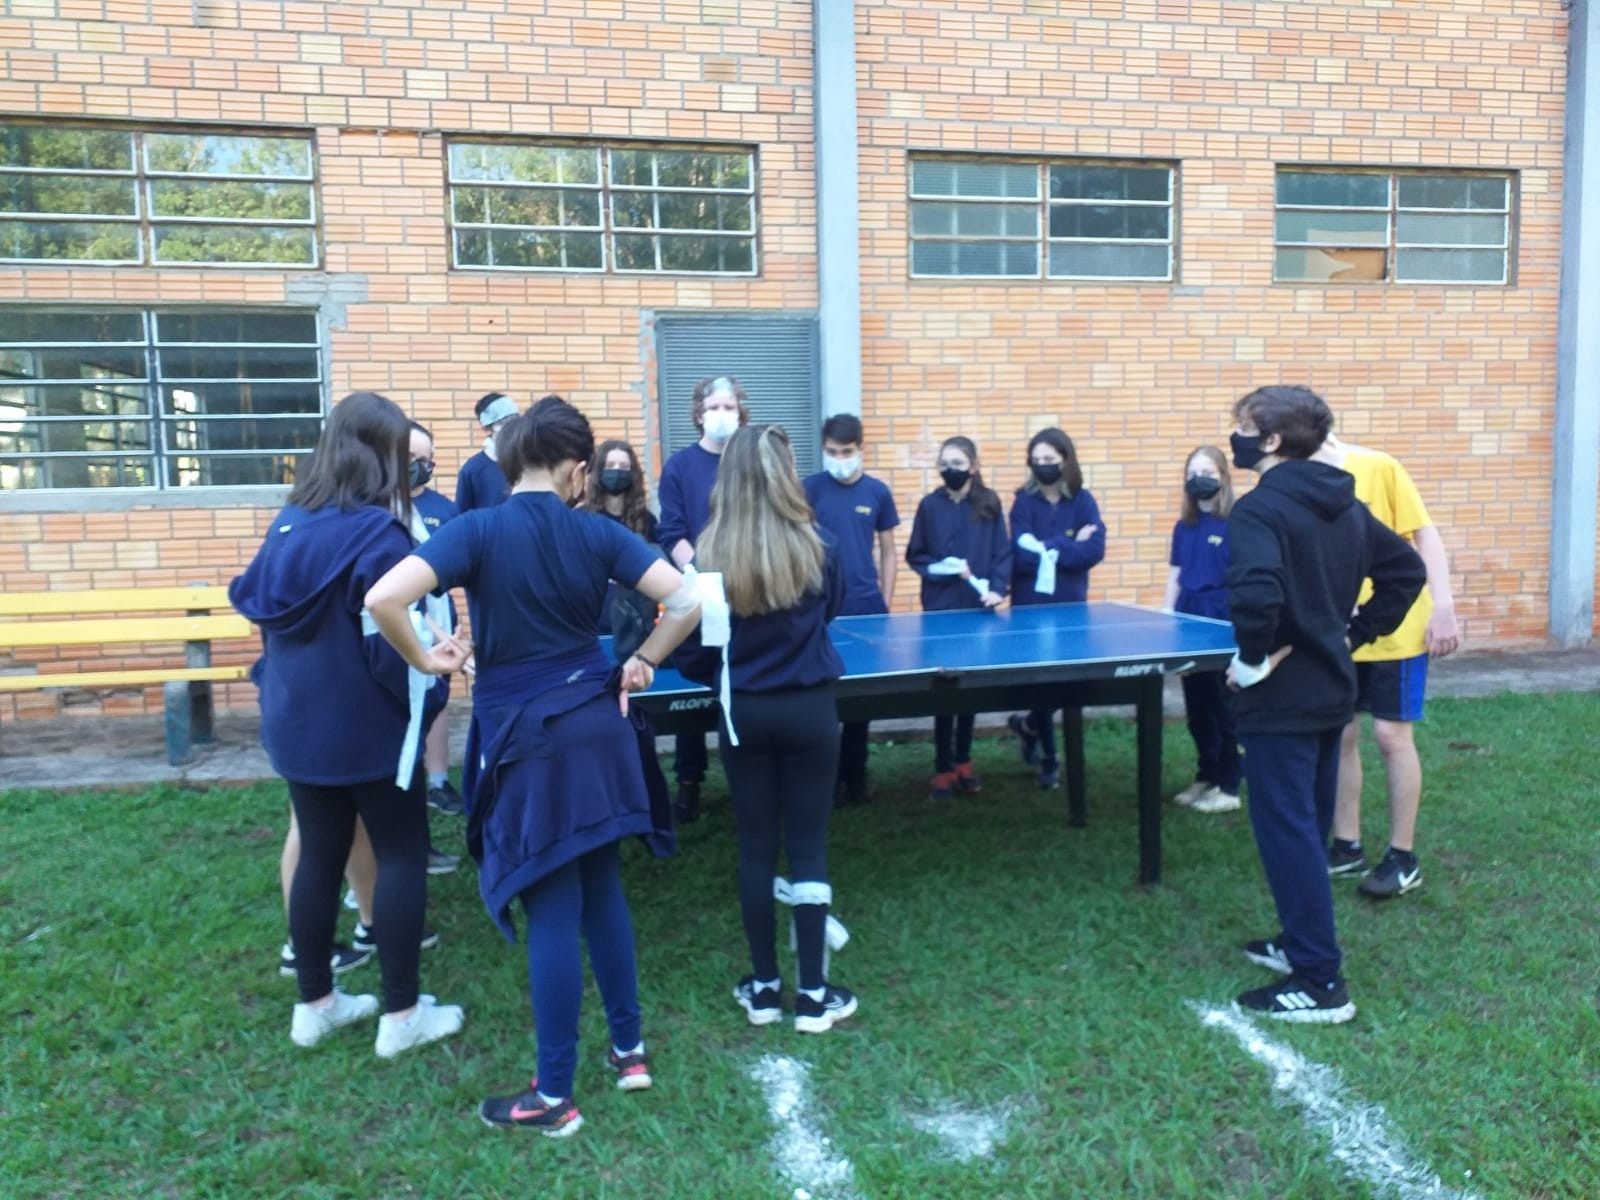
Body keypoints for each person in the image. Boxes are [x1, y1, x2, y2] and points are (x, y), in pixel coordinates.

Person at [364, 395, 701, 1137]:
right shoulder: (599, 532)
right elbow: (686, 602)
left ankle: (553, 1094)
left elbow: (384, 597)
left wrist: (426, 658)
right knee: (601, 886)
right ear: (577, 468)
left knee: (551, 903)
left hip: (528, 739)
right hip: (598, 730)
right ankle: (629, 1051)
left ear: (512, 458)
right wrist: (644, 659)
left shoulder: (475, 529)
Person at [230, 391, 467, 1056]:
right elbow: (386, 645)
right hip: (368, 729)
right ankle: (402, 1016)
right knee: (401, 856)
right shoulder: (376, 534)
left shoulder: (288, 523)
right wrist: (431, 673)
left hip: (297, 725)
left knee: (319, 855)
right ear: (381, 455)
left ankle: (316, 1004)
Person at [1224, 384, 1425, 1023]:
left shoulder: (1258, 510)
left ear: (1271, 440)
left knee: (1287, 833)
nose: (1235, 437)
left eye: (1243, 426)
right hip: (1331, 692)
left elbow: (1257, 594)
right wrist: (1351, 635)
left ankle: (1319, 981)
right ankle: (1300, 941)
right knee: (1306, 829)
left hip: (1282, 698)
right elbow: (1406, 572)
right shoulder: (1348, 505)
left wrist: (1252, 660)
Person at [680, 424, 856, 1033]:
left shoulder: (707, 556)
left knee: (755, 848)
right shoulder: (820, 545)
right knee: (808, 847)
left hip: (744, 714)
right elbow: (832, 610)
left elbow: (697, 649)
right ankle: (813, 995)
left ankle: (762, 989)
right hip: (810, 709)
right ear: (786, 475)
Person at [1316, 434, 1462, 898]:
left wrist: (1444, 605)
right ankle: (1347, 845)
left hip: (1396, 628)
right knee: (1341, 734)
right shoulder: (1296, 479)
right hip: (1342, 632)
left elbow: (1425, 533)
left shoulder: (1379, 466)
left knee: (1391, 736)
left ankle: (1403, 857)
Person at [655, 376, 750, 823]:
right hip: (700, 591)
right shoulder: (679, 466)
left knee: (743, 685)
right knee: (695, 688)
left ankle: (747, 777)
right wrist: (701, 572)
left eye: (729, 406)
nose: (722, 414)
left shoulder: (750, 461)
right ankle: (689, 781)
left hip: (749, 592)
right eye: (714, 407)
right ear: (699, 414)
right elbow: (671, 531)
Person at [905, 436, 1011, 801]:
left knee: (969, 691)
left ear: (973, 466)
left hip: (976, 610)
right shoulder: (929, 506)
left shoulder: (989, 503)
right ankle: (942, 768)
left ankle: (963, 761)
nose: (950, 470)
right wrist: (941, 569)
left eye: (958, 464)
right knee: (944, 691)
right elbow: (916, 555)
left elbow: (1001, 554)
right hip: (940, 609)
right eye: (945, 464)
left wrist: (997, 589)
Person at [801, 413, 899, 808]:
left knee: (862, 701)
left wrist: (884, 602)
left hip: (866, 607)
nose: (839, 459)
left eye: (846, 451)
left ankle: (856, 775)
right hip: (821, 610)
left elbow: (889, 552)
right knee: (826, 698)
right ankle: (828, 779)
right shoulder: (809, 489)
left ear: (860, 449)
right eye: (831, 452)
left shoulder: (877, 492)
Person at [1005, 428, 1105, 789]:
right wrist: (1067, 543)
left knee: (1069, 684)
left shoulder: (1083, 501)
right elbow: (1020, 558)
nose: (1043, 465)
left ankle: (1027, 725)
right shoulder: (1022, 502)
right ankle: (1050, 760)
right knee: (1043, 684)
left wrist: (1047, 548)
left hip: (1070, 606)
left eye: (1050, 459)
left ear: (1065, 460)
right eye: (1037, 459)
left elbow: (1094, 551)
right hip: (1030, 607)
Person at [1163, 446, 1241, 814]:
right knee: (1198, 709)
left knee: (1225, 706)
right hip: (1188, 620)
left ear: (1223, 477)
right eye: (1193, 473)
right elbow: (1176, 574)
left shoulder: (1236, 523)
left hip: (1221, 620)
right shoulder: (1184, 526)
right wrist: (1167, 615)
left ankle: (1230, 785)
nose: (1199, 479)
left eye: (1207, 472)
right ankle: (1206, 775)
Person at [409, 420, 467, 833]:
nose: (417, 465)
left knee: (437, 701)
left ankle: (438, 781)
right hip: (394, 624)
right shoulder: (374, 507)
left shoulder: (445, 511)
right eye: (408, 457)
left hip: (439, 623)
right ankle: (404, 785)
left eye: (424, 459)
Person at [584, 438, 659, 637]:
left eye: (624, 467)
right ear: (598, 471)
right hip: (592, 627)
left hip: (636, 629)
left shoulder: (647, 521)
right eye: (610, 466)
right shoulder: (579, 519)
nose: (617, 471)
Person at [454, 391, 519, 513]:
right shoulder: (472, 470)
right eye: (503, 422)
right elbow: (461, 516)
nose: (512, 428)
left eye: (515, 419)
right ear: (487, 428)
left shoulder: (531, 462)